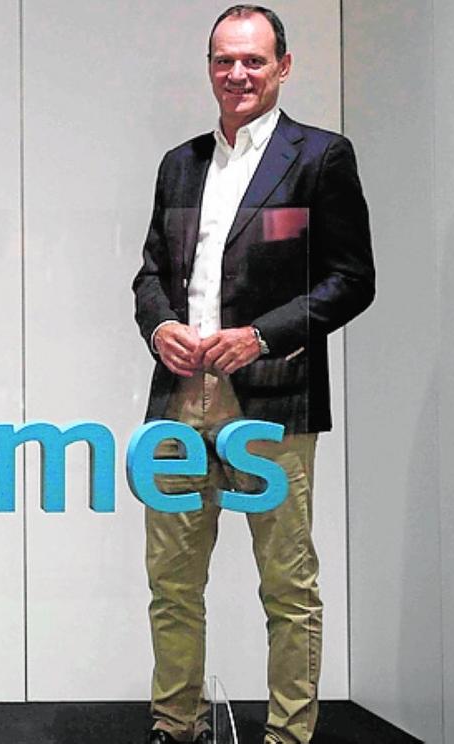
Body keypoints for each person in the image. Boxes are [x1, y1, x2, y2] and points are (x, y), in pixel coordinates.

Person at [131, 6, 374, 744]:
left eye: (253, 61)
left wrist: (263, 336)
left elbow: (352, 280)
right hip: (179, 399)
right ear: (209, 67)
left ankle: (289, 735)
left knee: (287, 584)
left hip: (274, 399)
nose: (237, 74)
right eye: (223, 60)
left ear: (283, 67)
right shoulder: (180, 163)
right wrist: (160, 326)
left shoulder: (320, 157)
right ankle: (175, 724)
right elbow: (150, 274)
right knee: (172, 583)